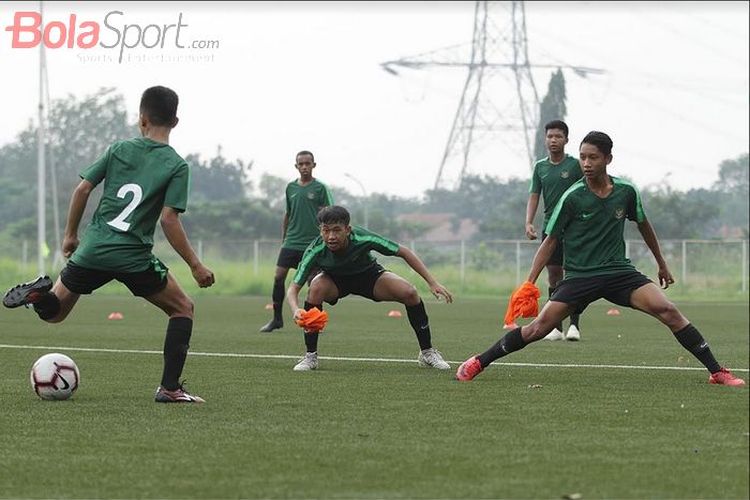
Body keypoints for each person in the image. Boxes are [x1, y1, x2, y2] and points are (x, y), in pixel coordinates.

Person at [456, 131, 745, 387]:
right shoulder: (572, 197)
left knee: (668, 310)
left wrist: (662, 263)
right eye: (582, 157)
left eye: (592, 157)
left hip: (620, 273)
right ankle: (479, 361)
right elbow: (551, 240)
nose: (586, 163)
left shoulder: (626, 191)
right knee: (537, 329)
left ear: (608, 159)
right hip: (580, 276)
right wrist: (529, 282)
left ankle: (716, 371)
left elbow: (644, 224)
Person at [2, 85, 216, 402]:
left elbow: (82, 190)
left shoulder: (118, 149)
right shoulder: (176, 166)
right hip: (133, 256)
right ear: (175, 121)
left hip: (93, 248)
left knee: (55, 313)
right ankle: (169, 388)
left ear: (141, 119)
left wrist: (70, 236)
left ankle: (37, 296)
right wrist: (196, 266)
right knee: (182, 308)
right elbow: (169, 220)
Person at [286, 205, 453, 371]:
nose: (331, 236)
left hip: (368, 276)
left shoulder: (363, 238)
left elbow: (404, 252)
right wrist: (295, 310)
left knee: (409, 292)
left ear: (348, 229)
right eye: (326, 230)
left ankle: (427, 352)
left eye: (337, 230)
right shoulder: (315, 250)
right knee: (315, 288)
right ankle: (310, 357)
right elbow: (293, 288)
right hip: (335, 280)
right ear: (320, 231)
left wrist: (432, 282)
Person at [259, 150, 333, 333]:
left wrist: (326, 238)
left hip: (312, 244)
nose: (305, 167)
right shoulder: (290, 188)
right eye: (301, 164)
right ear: (296, 166)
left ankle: (315, 321)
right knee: (278, 277)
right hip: (291, 242)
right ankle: (276, 319)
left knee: (313, 283)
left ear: (314, 165)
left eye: (308, 163)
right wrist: (284, 238)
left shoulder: (320, 188)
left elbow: (329, 214)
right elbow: (288, 214)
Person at [525, 119, 584, 341]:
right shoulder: (540, 167)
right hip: (551, 227)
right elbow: (534, 195)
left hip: (575, 228)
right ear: (545, 139)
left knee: (574, 274)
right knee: (553, 275)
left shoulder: (575, 165)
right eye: (550, 136)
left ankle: (574, 326)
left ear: (566, 140)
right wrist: (529, 221)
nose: (553, 140)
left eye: (558, 136)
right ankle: (555, 328)